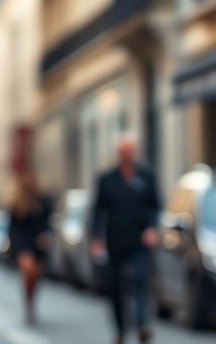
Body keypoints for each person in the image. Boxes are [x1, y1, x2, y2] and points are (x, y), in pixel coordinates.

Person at [90, 134, 160, 344]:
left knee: (140, 280)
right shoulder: (107, 179)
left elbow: (155, 206)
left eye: (129, 150)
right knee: (115, 287)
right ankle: (120, 329)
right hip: (115, 241)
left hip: (139, 240)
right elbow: (98, 210)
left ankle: (142, 324)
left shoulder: (146, 176)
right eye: (122, 151)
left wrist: (152, 228)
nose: (126, 154)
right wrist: (96, 238)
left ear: (134, 152)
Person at [7, 170, 52, 325]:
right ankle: (28, 302)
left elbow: (48, 221)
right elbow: (12, 226)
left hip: (38, 241)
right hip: (23, 241)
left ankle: (31, 300)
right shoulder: (16, 202)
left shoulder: (43, 200)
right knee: (28, 270)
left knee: (35, 277)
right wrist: (11, 244)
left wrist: (45, 234)